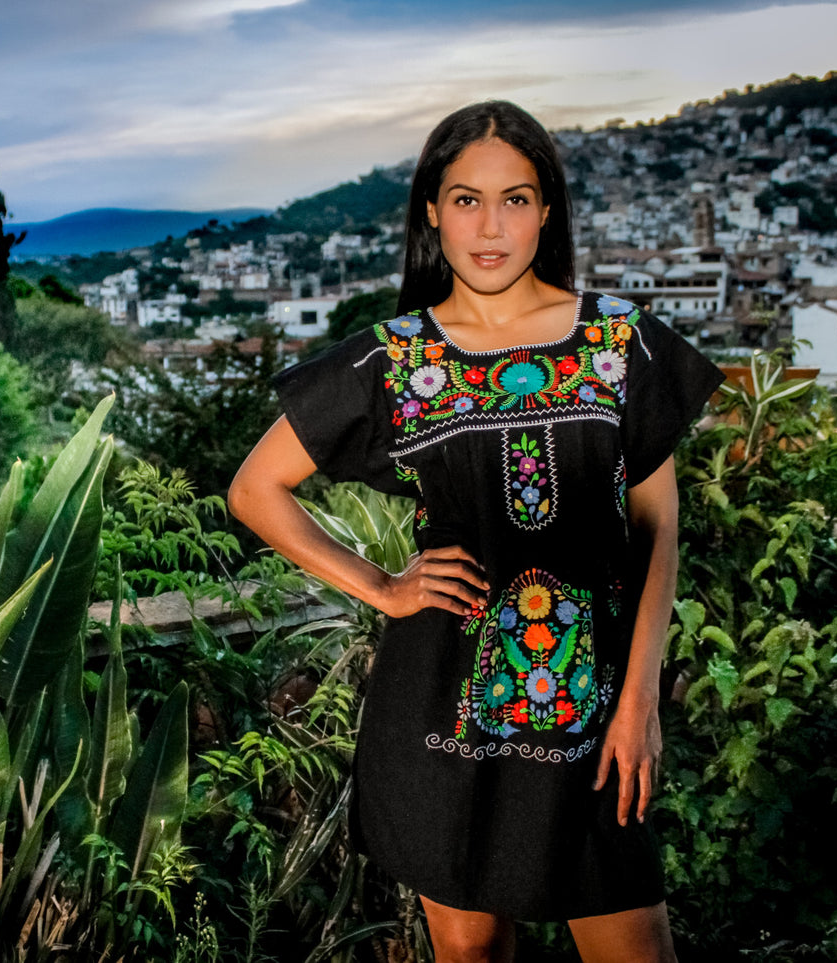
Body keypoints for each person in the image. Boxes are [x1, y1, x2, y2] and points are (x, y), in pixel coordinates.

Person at [228, 101, 724, 963]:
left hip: (595, 723)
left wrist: (639, 696)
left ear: (546, 211)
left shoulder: (618, 344)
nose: (489, 227)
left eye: (515, 198)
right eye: (465, 199)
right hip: (439, 720)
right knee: (468, 957)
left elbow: (656, 531)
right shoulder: (393, 361)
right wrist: (381, 586)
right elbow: (253, 488)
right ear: (430, 210)